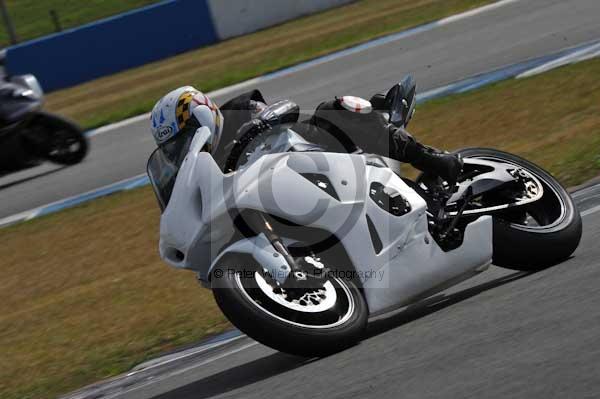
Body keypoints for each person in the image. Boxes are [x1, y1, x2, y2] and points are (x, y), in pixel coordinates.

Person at [149, 86, 463, 186]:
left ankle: (433, 160)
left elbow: (286, 108)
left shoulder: (239, 110)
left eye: (185, 136)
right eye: (175, 146)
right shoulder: (199, 167)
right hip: (276, 194)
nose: (185, 147)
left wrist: (256, 125)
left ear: (203, 115)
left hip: (309, 152)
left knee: (335, 108)